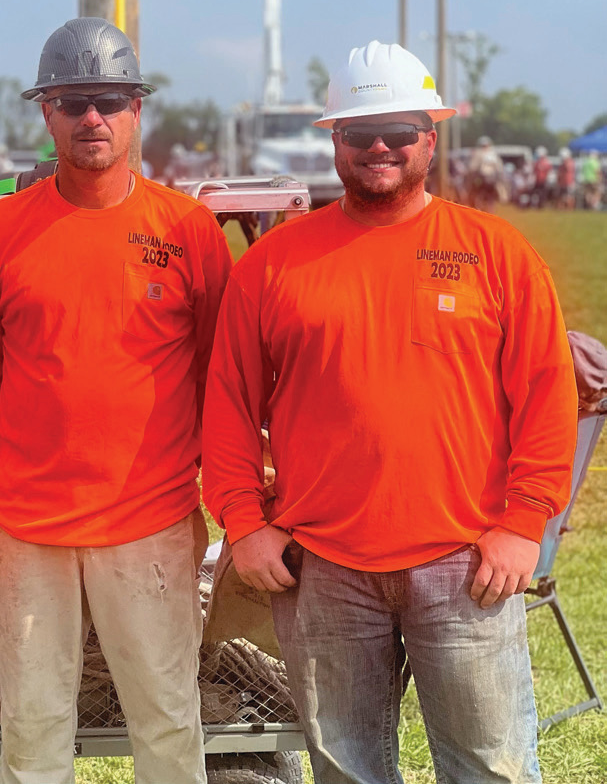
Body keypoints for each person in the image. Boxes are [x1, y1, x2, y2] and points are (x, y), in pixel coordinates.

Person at [202, 40, 577, 784]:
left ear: (428, 139)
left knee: (488, 768)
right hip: (324, 567)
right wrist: (243, 521)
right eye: (358, 132)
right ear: (332, 139)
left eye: (398, 131)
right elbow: (229, 403)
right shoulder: (274, 265)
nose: (379, 147)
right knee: (347, 769)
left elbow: (546, 393)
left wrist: (522, 522)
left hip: (466, 561)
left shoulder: (492, 252)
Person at [0, 17, 232, 784]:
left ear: (136, 109)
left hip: (150, 521)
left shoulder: (186, 228)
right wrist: (14, 455)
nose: (91, 119)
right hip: (32, 525)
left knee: (167, 718)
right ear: (45, 112)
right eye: (72, 102)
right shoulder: (3, 230)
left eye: (108, 100)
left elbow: (221, 368)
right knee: (34, 723)